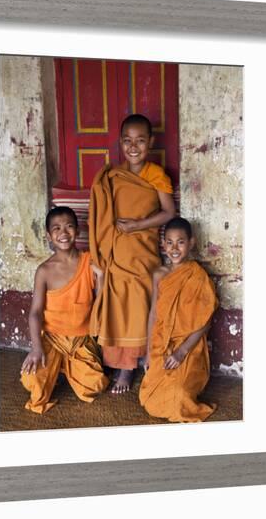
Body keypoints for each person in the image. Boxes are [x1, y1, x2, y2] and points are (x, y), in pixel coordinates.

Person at [88, 114, 176, 393]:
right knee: (115, 306)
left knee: (137, 306)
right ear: (120, 142)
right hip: (116, 251)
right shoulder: (113, 176)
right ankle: (116, 362)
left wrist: (137, 225)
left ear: (150, 142)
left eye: (140, 140)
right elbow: (103, 213)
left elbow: (168, 213)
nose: (134, 147)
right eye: (128, 141)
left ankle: (128, 369)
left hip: (142, 252)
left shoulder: (156, 175)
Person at [21, 206, 108, 413]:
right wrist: (36, 348)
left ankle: (63, 370)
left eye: (69, 227)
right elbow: (35, 313)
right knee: (31, 381)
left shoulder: (89, 262)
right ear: (49, 236)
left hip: (80, 338)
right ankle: (57, 367)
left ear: (77, 231)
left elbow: (101, 302)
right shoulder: (44, 271)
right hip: (51, 338)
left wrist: (102, 277)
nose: (63, 233)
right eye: (57, 228)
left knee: (93, 386)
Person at [139, 217, 218, 422]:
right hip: (161, 342)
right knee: (149, 399)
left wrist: (182, 352)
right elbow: (153, 314)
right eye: (170, 242)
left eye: (180, 242)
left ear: (191, 243)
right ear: (163, 245)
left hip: (189, 346)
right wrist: (148, 353)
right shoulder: (159, 274)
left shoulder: (199, 277)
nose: (174, 248)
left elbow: (205, 321)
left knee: (180, 397)